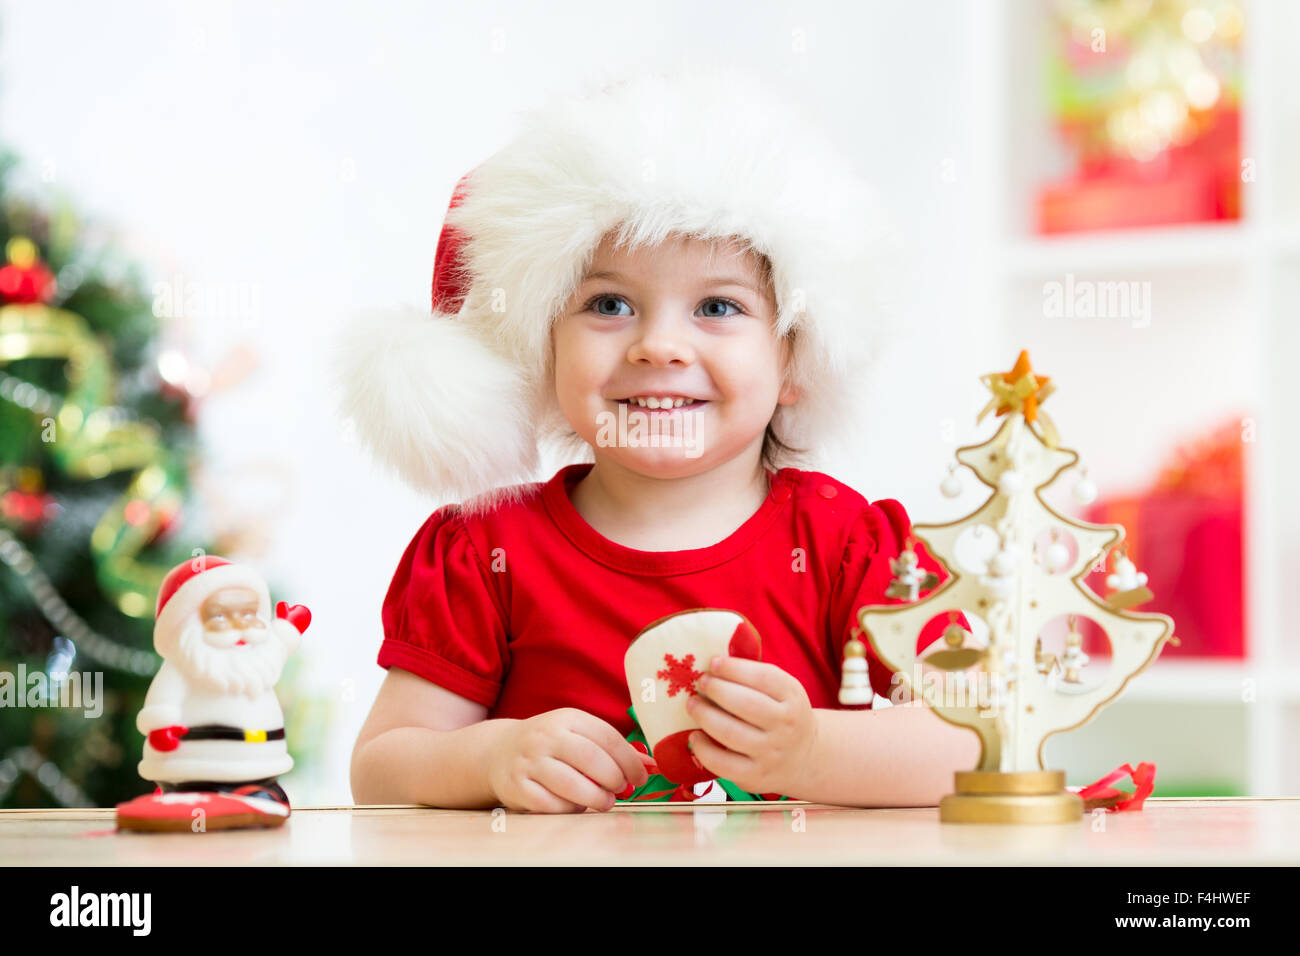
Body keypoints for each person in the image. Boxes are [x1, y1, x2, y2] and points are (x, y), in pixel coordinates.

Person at [338, 64, 979, 813]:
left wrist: (813, 754)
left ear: (795, 356)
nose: (659, 346)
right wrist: (489, 757)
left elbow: (971, 740)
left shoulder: (850, 549)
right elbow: (380, 768)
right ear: (539, 347)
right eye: (609, 303)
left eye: (718, 305)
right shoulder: (484, 553)